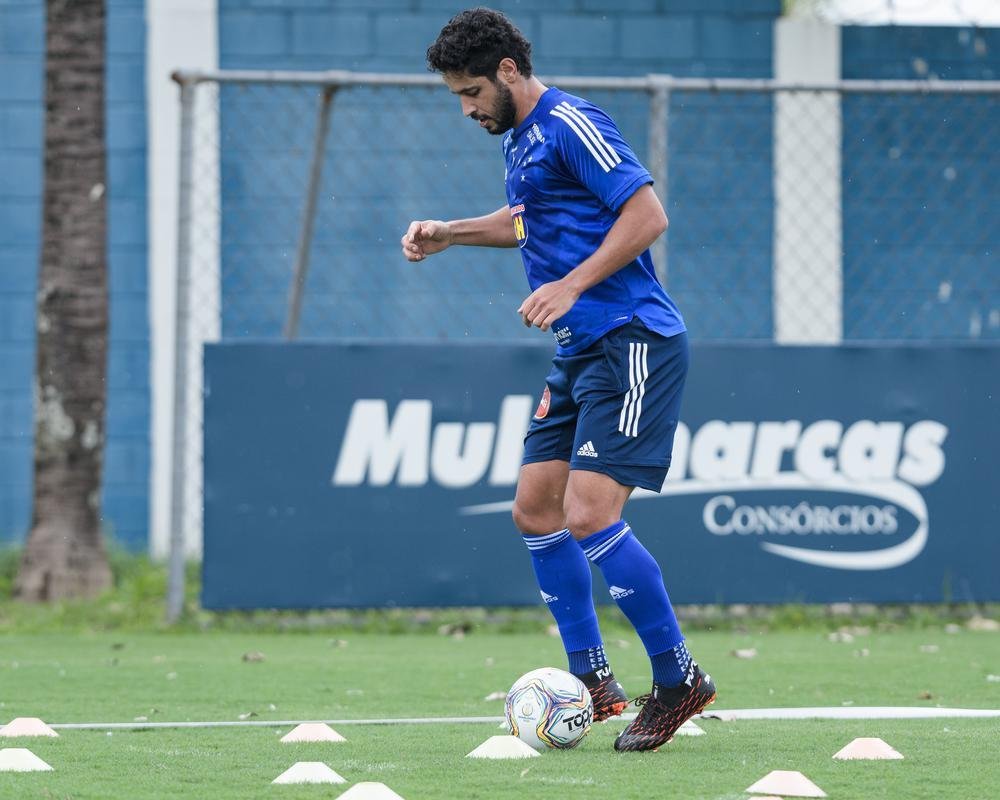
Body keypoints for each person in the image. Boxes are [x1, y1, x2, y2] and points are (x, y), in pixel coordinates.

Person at [402, 7, 715, 752]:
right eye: (457, 96)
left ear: (509, 71)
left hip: (632, 341)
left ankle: (678, 681)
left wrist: (571, 285)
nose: (468, 108)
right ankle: (594, 683)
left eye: (472, 91)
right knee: (535, 510)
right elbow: (527, 221)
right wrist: (451, 232)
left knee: (589, 513)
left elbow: (647, 214)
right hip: (581, 350)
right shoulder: (522, 138)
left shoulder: (571, 122)